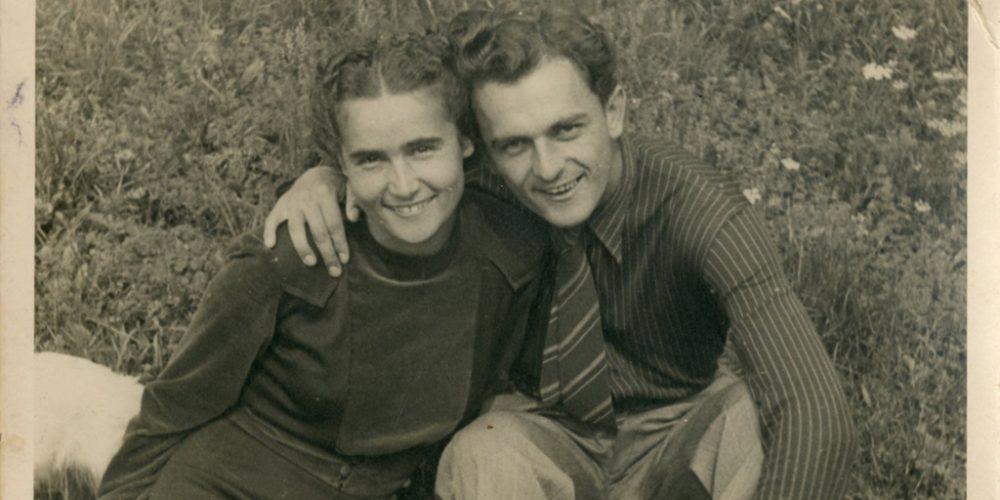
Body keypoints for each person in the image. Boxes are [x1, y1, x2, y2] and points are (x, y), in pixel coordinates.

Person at [267, 8, 856, 500]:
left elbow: (814, 407)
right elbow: (396, 153)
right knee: (482, 453)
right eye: (514, 145)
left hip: (677, 420)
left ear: (614, 112)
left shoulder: (701, 211)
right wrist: (322, 178)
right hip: (542, 423)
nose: (547, 169)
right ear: (479, 147)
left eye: (567, 130)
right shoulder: (480, 178)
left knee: (747, 421)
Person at [97, 30, 551, 500]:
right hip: (231, 485)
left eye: (422, 149)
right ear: (341, 165)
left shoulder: (510, 249)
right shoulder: (292, 257)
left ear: (465, 142)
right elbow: (169, 411)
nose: (403, 184)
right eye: (371, 159)